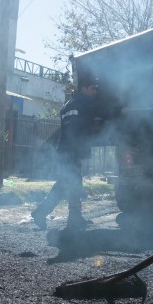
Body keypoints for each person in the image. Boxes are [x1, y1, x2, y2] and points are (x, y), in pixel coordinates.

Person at [31, 76, 105, 230]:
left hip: (64, 149)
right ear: (84, 89)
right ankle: (42, 212)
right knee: (68, 183)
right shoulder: (84, 102)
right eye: (92, 88)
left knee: (72, 182)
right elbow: (104, 109)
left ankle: (74, 218)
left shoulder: (67, 105)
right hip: (73, 150)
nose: (95, 91)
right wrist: (120, 110)